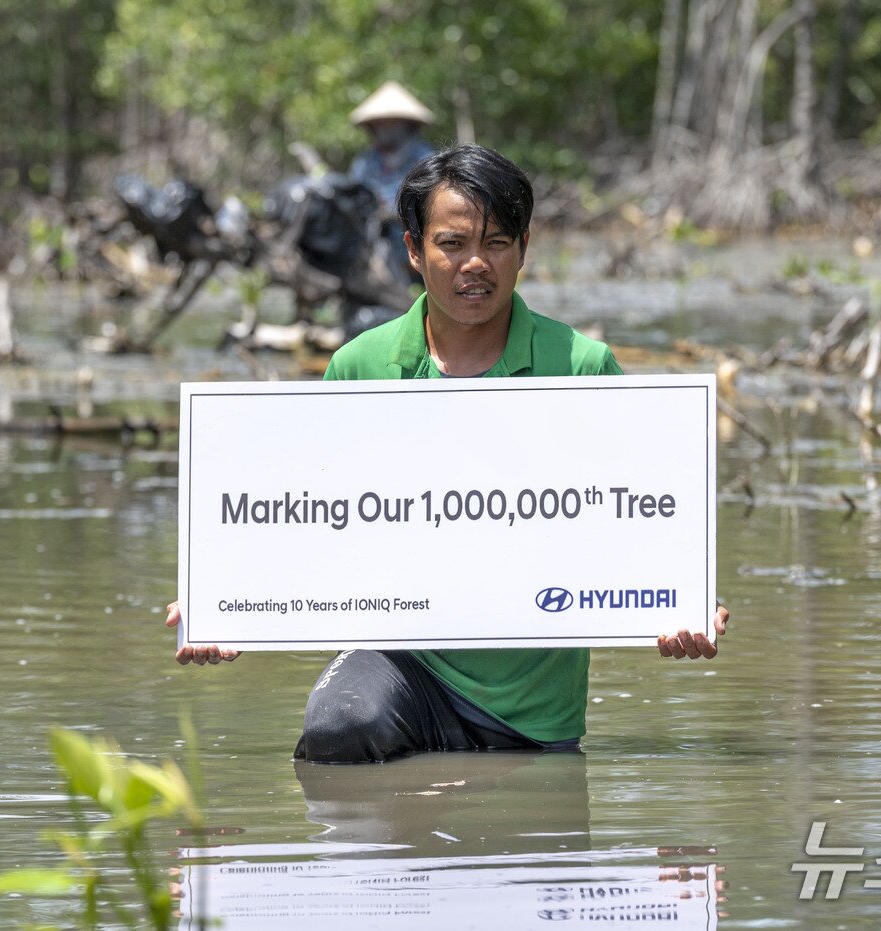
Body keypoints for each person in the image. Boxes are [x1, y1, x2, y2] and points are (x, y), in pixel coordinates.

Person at [166, 144, 729, 763]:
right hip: (399, 661)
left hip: (529, 704)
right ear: (414, 250)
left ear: (523, 251)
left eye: (497, 243)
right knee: (339, 730)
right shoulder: (361, 366)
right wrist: (229, 600)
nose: (475, 264)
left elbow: (637, 512)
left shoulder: (580, 368)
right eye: (453, 244)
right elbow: (308, 515)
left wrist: (682, 598)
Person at [347, 81, 436, 286]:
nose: (385, 128)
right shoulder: (365, 161)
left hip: (419, 239)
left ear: (407, 125)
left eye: (392, 122)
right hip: (378, 245)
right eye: (380, 123)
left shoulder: (425, 158)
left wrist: (397, 212)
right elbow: (355, 196)